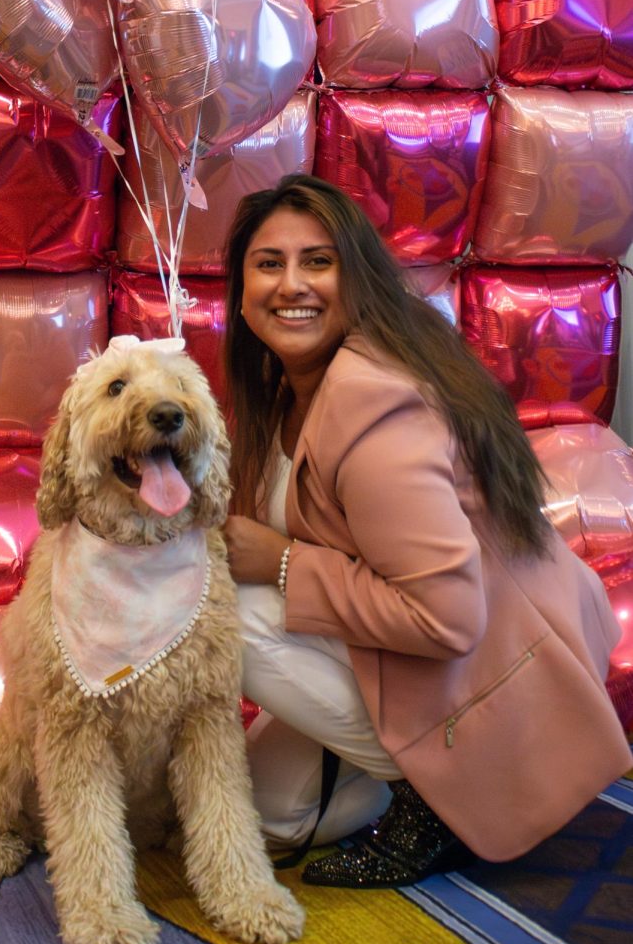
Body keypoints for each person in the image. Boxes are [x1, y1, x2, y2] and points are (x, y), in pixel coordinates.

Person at [221, 173, 632, 889]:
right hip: (390, 649)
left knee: (223, 611)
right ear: (241, 286)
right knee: (273, 818)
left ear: (357, 278)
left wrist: (283, 563)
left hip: (493, 677)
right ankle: (400, 769)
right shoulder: (287, 387)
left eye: (318, 261)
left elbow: (445, 617)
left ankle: (441, 797)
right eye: (268, 263)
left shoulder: (373, 404)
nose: (291, 284)